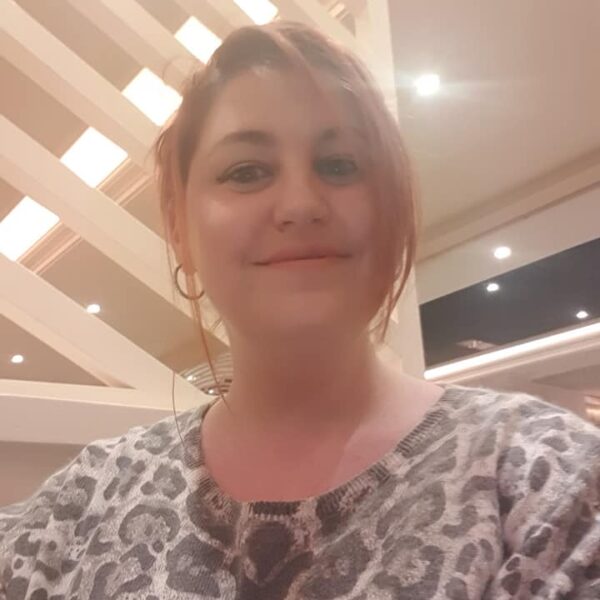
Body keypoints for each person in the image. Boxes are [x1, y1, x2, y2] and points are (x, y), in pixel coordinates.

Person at [1, 21, 599, 600]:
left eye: (340, 165)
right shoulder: (86, 502)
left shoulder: (543, 479)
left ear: (392, 206)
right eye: (246, 172)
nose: (300, 204)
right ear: (180, 228)